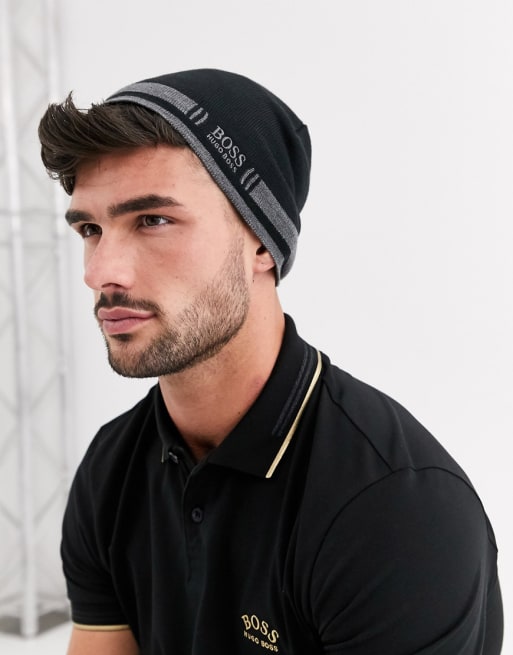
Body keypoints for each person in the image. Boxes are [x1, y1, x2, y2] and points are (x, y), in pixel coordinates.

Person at [38, 68, 503, 655]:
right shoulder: (112, 469)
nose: (100, 272)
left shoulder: (396, 510)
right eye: (90, 228)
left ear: (261, 241)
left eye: (153, 220)